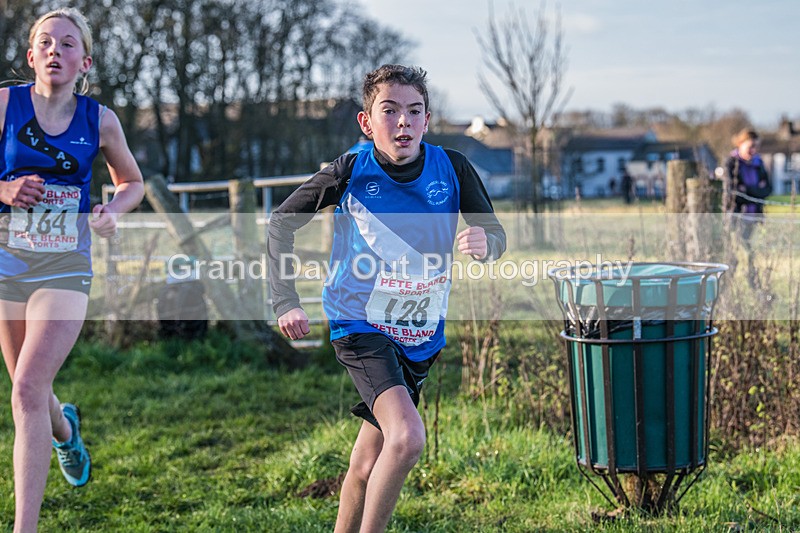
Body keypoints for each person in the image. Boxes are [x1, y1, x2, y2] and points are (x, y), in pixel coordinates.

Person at [268, 64, 506, 532]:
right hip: (360, 326)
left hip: (420, 334)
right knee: (408, 438)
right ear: (367, 121)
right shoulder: (350, 170)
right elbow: (281, 221)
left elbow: (495, 234)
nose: (403, 122)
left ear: (427, 119)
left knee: (365, 462)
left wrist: (485, 244)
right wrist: (285, 300)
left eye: (413, 112)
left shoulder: (453, 167)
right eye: (390, 110)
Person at [0, 8, 144, 531]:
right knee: (29, 390)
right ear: (31, 55)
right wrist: (5, 189)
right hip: (6, 261)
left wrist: (111, 211)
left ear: (85, 61)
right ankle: (65, 431)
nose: (55, 50)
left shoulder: (99, 119)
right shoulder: (5, 105)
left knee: (25, 390)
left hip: (64, 262)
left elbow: (132, 182)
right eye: (45, 42)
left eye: (67, 43)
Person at [725, 128, 772, 237]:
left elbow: (768, 189)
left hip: (755, 215)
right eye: (750, 146)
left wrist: (746, 190)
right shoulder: (731, 163)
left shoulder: (759, 163)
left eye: (756, 147)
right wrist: (757, 190)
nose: (753, 150)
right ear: (740, 144)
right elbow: (732, 192)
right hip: (736, 216)